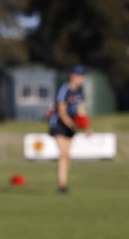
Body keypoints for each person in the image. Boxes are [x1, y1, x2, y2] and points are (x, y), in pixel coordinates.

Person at [49, 65, 88, 194]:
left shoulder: (80, 90)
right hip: (59, 124)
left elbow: (81, 109)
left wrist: (87, 126)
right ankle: (61, 185)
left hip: (71, 125)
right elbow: (61, 111)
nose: (82, 78)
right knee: (63, 154)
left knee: (67, 156)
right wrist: (71, 124)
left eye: (83, 76)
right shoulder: (64, 89)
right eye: (79, 75)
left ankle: (64, 184)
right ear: (72, 76)